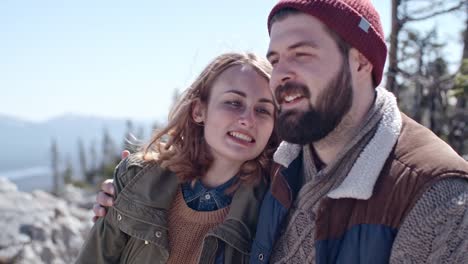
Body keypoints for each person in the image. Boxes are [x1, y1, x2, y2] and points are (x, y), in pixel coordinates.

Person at [94, 1, 468, 263]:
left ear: (361, 61)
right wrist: (128, 193)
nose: (281, 73)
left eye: (301, 54)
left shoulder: (436, 197)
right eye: (275, 59)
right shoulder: (281, 164)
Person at [76, 52, 279, 264]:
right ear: (199, 111)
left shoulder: (271, 209)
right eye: (234, 103)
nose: (248, 120)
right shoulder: (139, 181)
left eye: (263, 110)